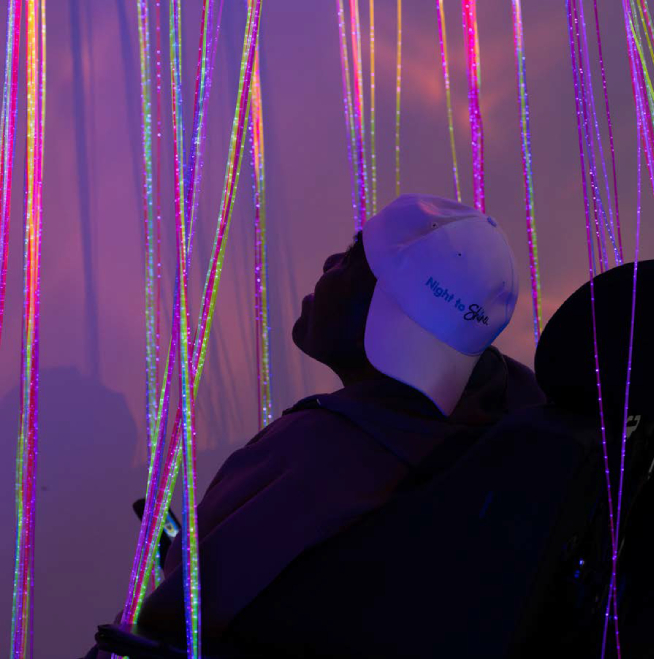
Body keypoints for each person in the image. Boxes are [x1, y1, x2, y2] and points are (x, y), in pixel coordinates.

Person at [122, 194, 544, 645]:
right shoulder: (512, 437)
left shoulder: (317, 453)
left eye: (350, 259)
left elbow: (175, 622)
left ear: (382, 308)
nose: (328, 263)